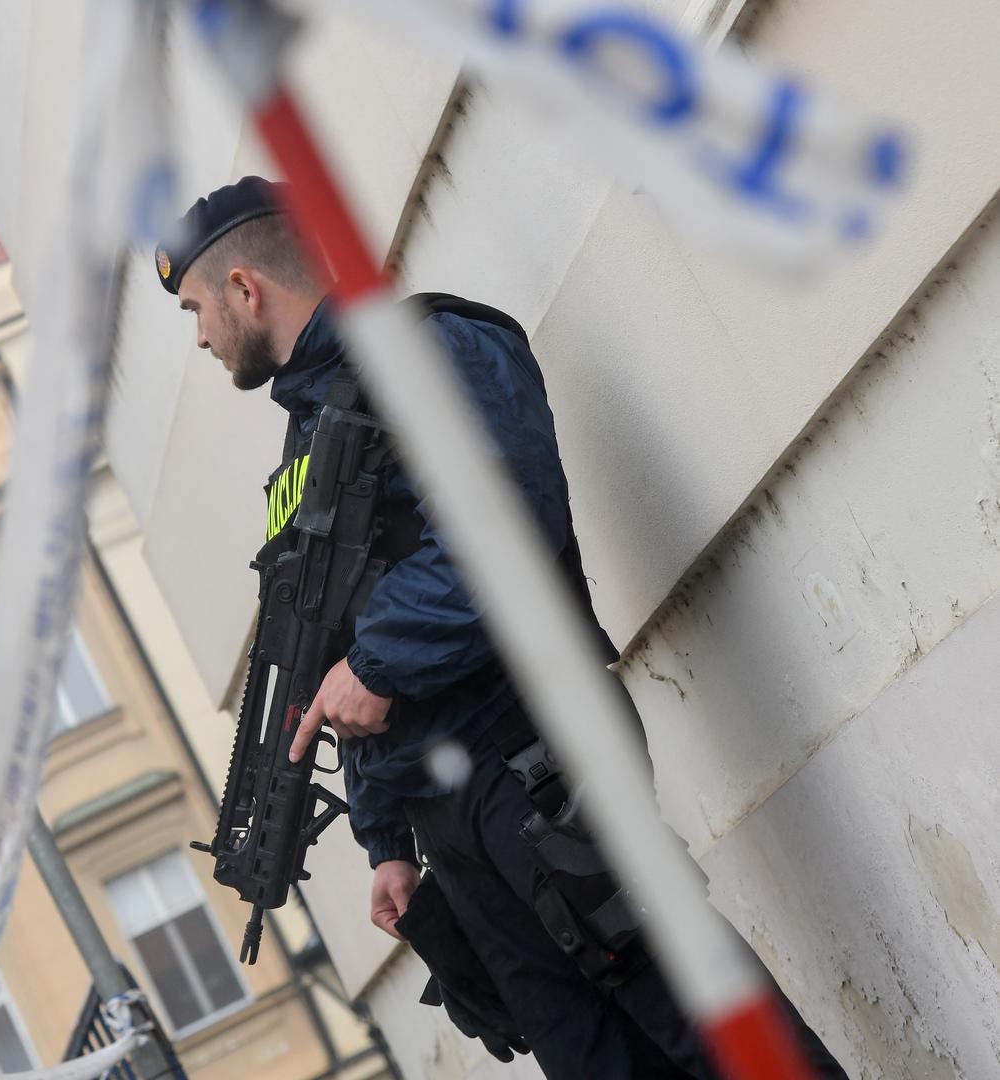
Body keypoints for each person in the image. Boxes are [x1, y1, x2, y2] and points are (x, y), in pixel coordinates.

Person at [156, 175, 848, 1078]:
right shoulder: (305, 444)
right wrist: (386, 843)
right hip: (451, 819)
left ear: (246, 288)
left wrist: (377, 663)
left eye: (196, 309)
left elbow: (506, 528)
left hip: (528, 756)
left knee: (700, 1019)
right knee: (597, 1060)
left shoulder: (431, 350)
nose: (201, 335)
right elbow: (327, 647)